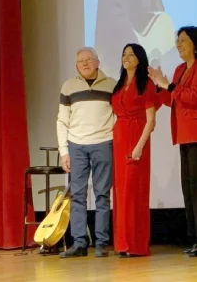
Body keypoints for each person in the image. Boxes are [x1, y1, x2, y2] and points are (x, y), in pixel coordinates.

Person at [148, 26, 197, 257]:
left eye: (183, 40)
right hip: (186, 134)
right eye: (177, 40)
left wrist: (168, 85)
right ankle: (195, 237)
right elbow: (172, 99)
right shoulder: (180, 69)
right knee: (189, 187)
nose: (178, 44)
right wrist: (157, 84)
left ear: (196, 43)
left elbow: (193, 97)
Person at [57, 47, 118, 258]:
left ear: (97, 62)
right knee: (78, 195)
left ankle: (101, 243)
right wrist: (64, 151)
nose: (85, 63)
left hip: (103, 143)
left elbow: (119, 114)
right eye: (81, 61)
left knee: (102, 195)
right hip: (76, 145)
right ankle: (79, 243)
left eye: (89, 59)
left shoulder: (111, 84)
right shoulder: (69, 86)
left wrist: (111, 136)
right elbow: (62, 121)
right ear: (76, 66)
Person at [110, 43, 159, 257]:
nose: (126, 57)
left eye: (131, 54)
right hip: (119, 138)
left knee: (133, 191)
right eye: (124, 54)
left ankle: (135, 244)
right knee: (121, 193)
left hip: (136, 138)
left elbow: (151, 121)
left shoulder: (146, 83)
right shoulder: (120, 84)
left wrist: (139, 146)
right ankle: (122, 243)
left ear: (140, 59)